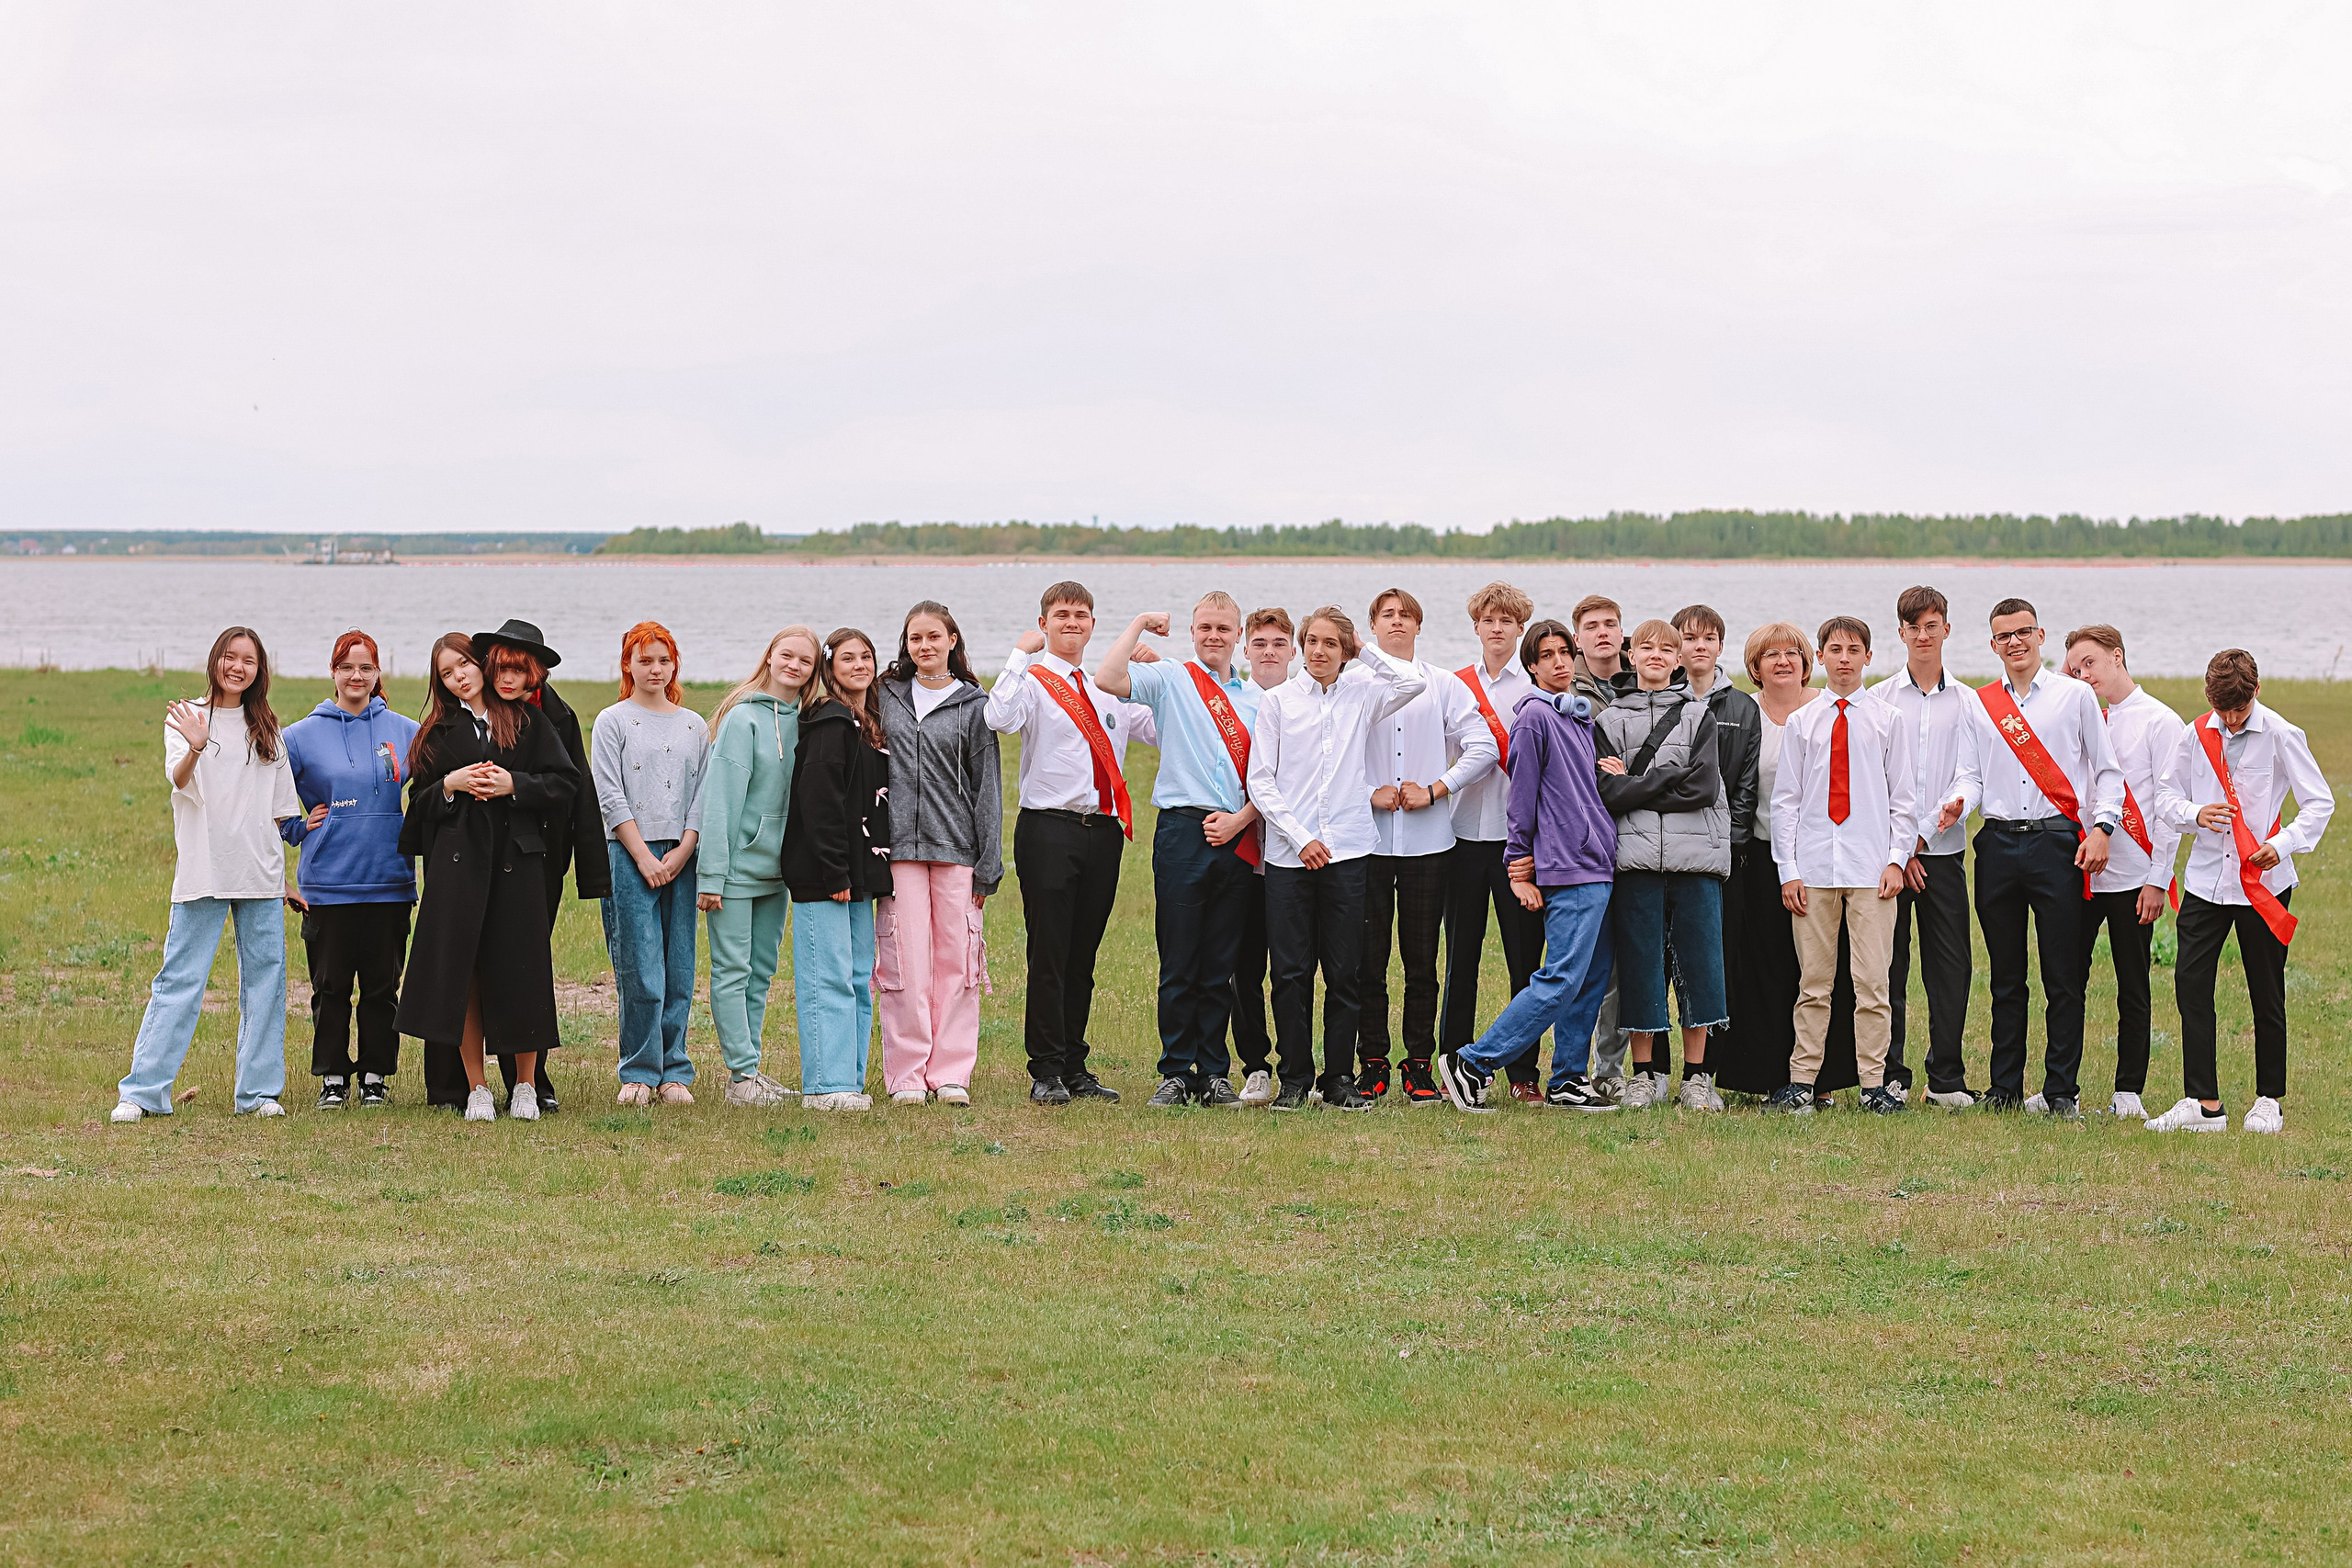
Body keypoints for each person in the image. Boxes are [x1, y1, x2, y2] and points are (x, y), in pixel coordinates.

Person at [1934, 597, 2125, 1118]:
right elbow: (1970, 774)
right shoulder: (1979, 703)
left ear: (2040, 637)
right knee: (2005, 975)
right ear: (1992, 644)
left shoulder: (2074, 697)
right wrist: (1959, 803)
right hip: (1997, 844)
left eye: (2023, 633)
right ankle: (2005, 1088)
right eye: (2004, 636)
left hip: (2056, 843)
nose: (2014, 643)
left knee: (2063, 975)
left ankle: (2062, 1090)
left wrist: (2103, 828)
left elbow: (2107, 772)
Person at [112, 627, 304, 1122]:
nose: (238, 667)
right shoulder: (188, 717)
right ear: (215, 660)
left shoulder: (268, 729)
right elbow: (178, 780)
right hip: (203, 870)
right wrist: (197, 746)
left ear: (260, 670)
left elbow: (280, 813)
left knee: (266, 983)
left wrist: (286, 874)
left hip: (259, 875)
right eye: (230, 657)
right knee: (180, 980)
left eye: (249, 660)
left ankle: (259, 1094)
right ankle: (143, 1092)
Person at [2146, 649, 2334, 1134]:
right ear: (2208, 698)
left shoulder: (2282, 734)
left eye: (2238, 712)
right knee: (2190, 986)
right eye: (2221, 711)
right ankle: (2203, 1103)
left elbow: (2319, 803)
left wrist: (2283, 844)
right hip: (2205, 883)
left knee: (2265, 992)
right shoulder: (2195, 734)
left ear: (2256, 693)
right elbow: (2165, 796)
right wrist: (2194, 814)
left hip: (2263, 884)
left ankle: (2268, 1100)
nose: (2229, 721)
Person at [1247, 605, 1426, 1111]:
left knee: (1345, 971)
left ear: (1344, 650)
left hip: (1348, 852)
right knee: (1290, 971)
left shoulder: (1364, 694)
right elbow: (1262, 779)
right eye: (1313, 642)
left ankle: (1339, 1078)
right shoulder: (1279, 702)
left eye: (1331, 643)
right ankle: (1296, 1078)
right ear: (1301, 647)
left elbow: (1411, 682)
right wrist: (1300, 838)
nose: (1320, 652)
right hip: (1290, 855)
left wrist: (1361, 650)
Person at [1434, 619, 1619, 1112]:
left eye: (1565, 653)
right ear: (1532, 666)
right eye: (1548, 655)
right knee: (1559, 978)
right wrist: (1519, 864)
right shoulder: (1535, 718)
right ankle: (1471, 1063)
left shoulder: (1579, 718)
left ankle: (1567, 1079)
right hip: (1569, 867)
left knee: (1589, 979)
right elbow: (1522, 797)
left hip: (1599, 864)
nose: (1559, 662)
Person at [984, 581, 1157, 1106]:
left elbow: (1166, 728)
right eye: (1061, 615)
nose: (1071, 623)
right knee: (1050, 952)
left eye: (1081, 615)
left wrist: (1152, 670)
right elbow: (1000, 719)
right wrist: (1018, 655)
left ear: (1093, 625)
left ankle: (1076, 1066)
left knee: (1083, 954)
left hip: (1103, 832)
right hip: (1049, 830)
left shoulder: (1112, 685)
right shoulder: (1034, 680)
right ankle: (1045, 1069)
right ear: (1044, 624)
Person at [395, 632, 579, 1122]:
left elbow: (565, 783)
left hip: (519, 865)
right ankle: (476, 1087)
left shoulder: (528, 720)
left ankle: (523, 1086)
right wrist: (451, 785)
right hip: (459, 871)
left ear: (482, 665)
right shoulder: (436, 732)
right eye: (447, 674)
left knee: (522, 970)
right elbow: (418, 805)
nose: (459, 678)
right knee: (466, 975)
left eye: (464, 666)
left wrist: (513, 784)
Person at [1097, 592, 1266, 1108]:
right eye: (1205, 628)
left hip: (1235, 832)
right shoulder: (1173, 678)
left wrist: (1241, 821)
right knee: (1178, 957)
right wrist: (1140, 623)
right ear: (1193, 632)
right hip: (1181, 831)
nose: (1213, 636)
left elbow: (1272, 775)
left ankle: (1214, 1073)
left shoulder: (1258, 700)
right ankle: (1175, 1070)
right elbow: (1107, 678)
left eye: (1223, 628)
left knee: (1220, 961)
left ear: (1238, 635)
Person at [1353, 587, 1498, 1105]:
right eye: (1387, 615)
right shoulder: (1352, 684)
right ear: (1371, 626)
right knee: (1367, 962)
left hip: (1429, 843)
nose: (1396, 622)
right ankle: (1371, 1064)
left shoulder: (1441, 685)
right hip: (1364, 842)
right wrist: (1365, 791)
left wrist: (1437, 788)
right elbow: (1330, 755)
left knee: (1421, 961)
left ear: (1419, 626)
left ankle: (1418, 1066)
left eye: (1406, 615)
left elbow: (1482, 746)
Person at [1768, 617, 1916, 1116]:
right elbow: (1786, 801)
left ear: (1869, 657)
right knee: (1814, 983)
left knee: (1873, 983)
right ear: (1822, 658)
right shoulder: (1804, 723)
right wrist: (1788, 868)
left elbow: (1903, 799)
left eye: (1855, 649)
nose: (1846, 658)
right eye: (1836, 649)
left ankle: (1874, 1083)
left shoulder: (1887, 719)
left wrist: (1897, 860)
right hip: (1813, 871)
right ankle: (1802, 1080)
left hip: (1872, 871)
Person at [279, 630, 418, 1109]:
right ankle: (333, 1077)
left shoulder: (405, 731)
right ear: (333, 672)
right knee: (330, 988)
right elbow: (263, 795)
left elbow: (437, 788)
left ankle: (376, 1076)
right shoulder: (298, 736)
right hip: (328, 886)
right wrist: (296, 828)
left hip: (389, 882)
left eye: (365, 668)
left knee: (382, 988)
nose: (356, 676)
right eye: (347, 667)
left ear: (378, 674)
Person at [1595, 620, 1730, 1111]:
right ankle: (1644, 1075)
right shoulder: (1608, 721)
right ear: (1631, 655)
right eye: (1646, 647)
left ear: (1678, 659)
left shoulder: (1699, 716)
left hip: (1697, 860)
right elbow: (1606, 794)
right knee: (1640, 966)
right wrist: (1668, 777)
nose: (1656, 654)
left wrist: (1637, 782)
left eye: (1666, 648)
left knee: (1700, 965)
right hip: (1634, 861)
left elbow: (1703, 789)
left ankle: (1697, 1077)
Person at [876, 603, 1003, 1107]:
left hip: (957, 851)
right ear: (905, 646)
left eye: (933, 637)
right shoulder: (886, 696)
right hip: (899, 851)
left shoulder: (975, 705)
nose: (924, 646)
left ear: (952, 639)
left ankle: (950, 1073)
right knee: (904, 962)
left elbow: (987, 788)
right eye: (914, 639)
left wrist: (988, 862)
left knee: (958, 961)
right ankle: (907, 1075)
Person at [2062, 625, 2186, 1121]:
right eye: (2074, 668)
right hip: (2081, 875)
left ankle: (2128, 1089)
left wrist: (2159, 878)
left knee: (2132, 985)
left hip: (2136, 879)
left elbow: (2169, 809)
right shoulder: (2075, 715)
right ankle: (2061, 1086)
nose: (2082, 674)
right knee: (2067, 981)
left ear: (2118, 657)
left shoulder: (2160, 721)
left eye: (2090, 663)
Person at [698, 626, 820, 1107]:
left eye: (805, 661)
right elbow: (721, 802)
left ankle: (750, 1073)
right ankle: (741, 1076)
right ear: (769, 657)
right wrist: (711, 876)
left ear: (814, 670)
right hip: (734, 870)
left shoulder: (808, 720)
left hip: (779, 872)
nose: (794, 665)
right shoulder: (742, 720)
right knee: (732, 970)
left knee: (762, 972)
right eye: (785, 655)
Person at [593, 622, 708, 1108]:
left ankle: (674, 1070)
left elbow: (704, 793)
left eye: (663, 660)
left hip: (682, 853)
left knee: (678, 964)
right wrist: (642, 855)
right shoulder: (612, 721)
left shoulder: (693, 725)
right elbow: (608, 791)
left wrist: (682, 850)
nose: (655, 669)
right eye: (645, 660)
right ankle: (639, 1070)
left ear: (674, 663)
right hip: (629, 851)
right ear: (628, 665)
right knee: (640, 965)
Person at [1869, 587, 1975, 1108]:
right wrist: (1901, 848)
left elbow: (1968, 777)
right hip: (1889, 860)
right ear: (1902, 633)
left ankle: (1947, 1078)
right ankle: (1889, 1072)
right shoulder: (1881, 698)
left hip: (1943, 856)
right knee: (1888, 966)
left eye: (1933, 625)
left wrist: (1923, 837)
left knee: (1950, 968)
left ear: (1946, 630)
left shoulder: (1968, 701)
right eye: (1914, 627)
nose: (1924, 635)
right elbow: (1879, 780)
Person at [783, 627, 895, 1111]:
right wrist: (834, 873)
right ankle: (826, 1086)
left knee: (855, 978)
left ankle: (849, 1080)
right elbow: (819, 803)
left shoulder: (867, 722)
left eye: (866, 656)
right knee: (826, 978)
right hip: (825, 876)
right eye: (847, 658)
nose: (859, 665)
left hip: (859, 874)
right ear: (830, 669)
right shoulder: (830, 722)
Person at [1442, 582, 1544, 1099]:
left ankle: (1523, 1073)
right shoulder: (1455, 686)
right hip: (1462, 836)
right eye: (1488, 619)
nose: (1497, 628)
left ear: (1521, 628)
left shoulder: (1536, 689)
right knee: (1461, 956)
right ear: (1476, 625)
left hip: (1518, 842)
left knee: (1524, 960)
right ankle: (1451, 1060)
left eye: (1507, 620)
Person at [1670, 604, 1760, 1103]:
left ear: (1721, 647)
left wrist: (1728, 848)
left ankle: (1708, 1073)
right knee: (1662, 961)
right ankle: (1655, 1069)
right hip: (1665, 855)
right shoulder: (1660, 699)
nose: (1698, 646)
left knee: (1715, 962)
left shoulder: (1741, 708)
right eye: (1689, 637)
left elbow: (1745, 790)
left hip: (1721, 859)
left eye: (1708, 638)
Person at [1567, 593, 1640, 1100]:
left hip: (1639, 834)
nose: (1602, 633)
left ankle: (1613, 1070)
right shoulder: (1561, 689)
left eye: (1610, 624)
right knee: (1585, 961)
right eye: (1591, 626)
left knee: (1628, 962)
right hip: (1584, 841)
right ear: (1578, 637)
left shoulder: (1647, 681)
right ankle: (1571, 1067)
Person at [1226, 607, 1297, 1105]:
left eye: (1279, 643)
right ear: (1246, 649)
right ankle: (1256, 1065)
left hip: (1297, 854)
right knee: (1244, 967)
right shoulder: (1233, 701)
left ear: (1293, 650)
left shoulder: (1306, 701)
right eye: (1260, 643)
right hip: (1247, 855)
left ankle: (1302, 1067)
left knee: (1297, 966)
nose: (1269, 651)